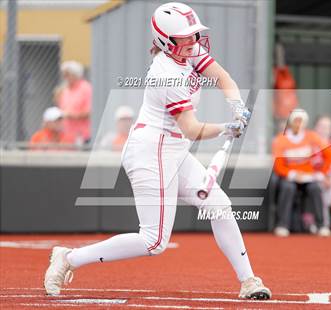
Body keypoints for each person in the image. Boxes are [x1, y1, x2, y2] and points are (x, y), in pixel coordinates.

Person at [44, 2, 271, 300]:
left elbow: (223, 78)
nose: (193, 41)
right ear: (166, 40)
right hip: (152, 151)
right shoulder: (165, 74)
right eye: (186, 37)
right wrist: (226, 127)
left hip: (173, 147)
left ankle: (249, 281)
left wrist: (237, 106)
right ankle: (69, 258)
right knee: (153, 241)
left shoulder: (189, 51)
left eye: (194, 35)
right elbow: (192, 129)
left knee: (220, 206)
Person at [272, 109, 331, 237]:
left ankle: (321, 225)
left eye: (301, 121)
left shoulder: (311, 136)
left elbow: (329, 155)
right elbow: (278, 166)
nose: (298, 124)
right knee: (288, 187)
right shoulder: (280, 140)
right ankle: (282, 225)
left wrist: (321, 173)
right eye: (296, 121)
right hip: (289, 177)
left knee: (315, 188)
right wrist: (293, 175)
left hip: (308, 177)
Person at [56, 60, 92, 143]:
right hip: (66, 134)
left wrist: (71, 115)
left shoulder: (85, 88)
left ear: (76, 75)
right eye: (64, 75)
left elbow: (89, 112)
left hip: (81, 135)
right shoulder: (65, 89)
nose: (65, 78)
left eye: (67, 75)